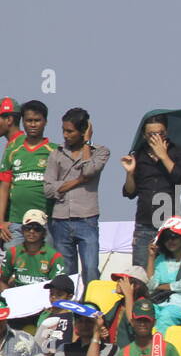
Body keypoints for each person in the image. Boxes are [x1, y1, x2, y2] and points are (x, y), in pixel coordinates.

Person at [42, 107, 108, 281]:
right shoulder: (56, 154)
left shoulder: (100, 152)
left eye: (70, 131)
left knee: (91, 270)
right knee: (66, 275)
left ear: (83, 131)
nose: (65, 135)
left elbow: (87, 171)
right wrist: (78, 182)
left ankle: (90, 306)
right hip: (60, 220)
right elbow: (48, 189)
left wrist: (87, 143)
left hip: (87, 218)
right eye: (63, 130)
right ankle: (69, 308)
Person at [0, 100, 56, 236]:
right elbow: (5, 186)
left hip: (43, 222)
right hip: (15, 222)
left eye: (36, 120)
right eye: (28, 120)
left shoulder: (52, 150)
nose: (32, 124)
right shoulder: (13, 148)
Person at [0, 210, 65, 292]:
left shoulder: (55, 256)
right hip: (17, 298)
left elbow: (58, 288)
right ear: (22, 231)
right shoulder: (12, 252)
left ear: (44, 233)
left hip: (43, 299)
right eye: (28, 228)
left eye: (37, 228)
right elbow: (2, 281)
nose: (31, 231)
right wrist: (10, 298)